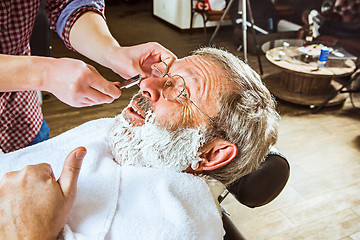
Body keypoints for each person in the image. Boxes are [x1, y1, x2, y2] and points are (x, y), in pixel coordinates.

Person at [0, 47, 280, 239]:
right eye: (165, 77)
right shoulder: (128, 137)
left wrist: (28, 232)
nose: (147, 85)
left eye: (181, 92)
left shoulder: (175, 229)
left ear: (210, 153)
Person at [0, 0, 176, 153]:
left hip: (22, 119)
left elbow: (67, 4)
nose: (146, 88)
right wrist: (44, 73)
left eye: (182, 92)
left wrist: (112, 52)